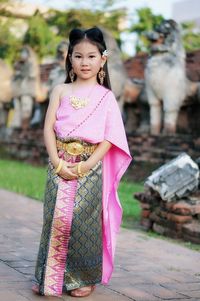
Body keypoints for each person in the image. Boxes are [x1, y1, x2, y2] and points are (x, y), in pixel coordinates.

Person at [32, 27, 132, 298]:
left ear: (103, 59)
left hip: (90, 166)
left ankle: (81, 278)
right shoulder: (60, 89)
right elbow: (48, 127)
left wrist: (86, 165)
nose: (84, 62)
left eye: (91, 56)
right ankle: (48, 277)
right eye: (78, 56)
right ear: (70, 59)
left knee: (83, 221)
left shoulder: (106, 97)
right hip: (59, 162)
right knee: (55, 218)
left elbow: (110, 138)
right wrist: (56, 161)